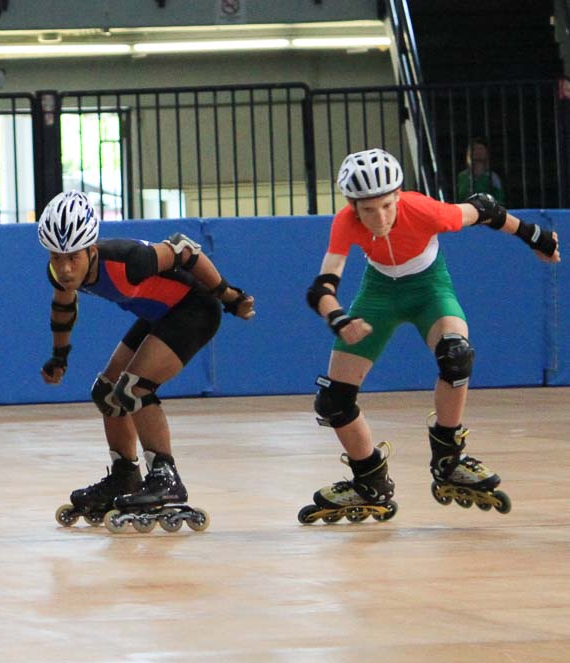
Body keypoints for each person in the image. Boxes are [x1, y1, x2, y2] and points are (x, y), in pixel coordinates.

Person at [299, 148, 559, 525]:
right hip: (378, 294)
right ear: (352, 205)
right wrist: (339, 319)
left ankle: (449, 459)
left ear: (399, 195)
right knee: (333, 402)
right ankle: (369, 479)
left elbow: (485, 208)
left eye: (387, 206)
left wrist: (536, 236)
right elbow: (321, 286)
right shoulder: (345, 220)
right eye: (367, 210)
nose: (380, 219)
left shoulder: (424, 209)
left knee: (456, 357)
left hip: (428, 288)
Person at [40, 191, 256, 534]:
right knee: (107, 391)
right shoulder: (60, 272)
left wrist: (230, 296)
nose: (65, 269)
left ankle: (165, 477)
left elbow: (185, 250)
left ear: (91, 249)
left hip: (194, 309)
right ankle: (125, 475)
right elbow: (63, 307)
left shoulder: (128, 260)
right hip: (159, 314)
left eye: (73, 258)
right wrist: (59, 355)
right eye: (56, 257)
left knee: (134, 387)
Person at [456, 137, 505, 205]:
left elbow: (499, 200)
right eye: (474, 149)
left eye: (480, 149)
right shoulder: (462, 176)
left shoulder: (493, 177)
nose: (477, 151)